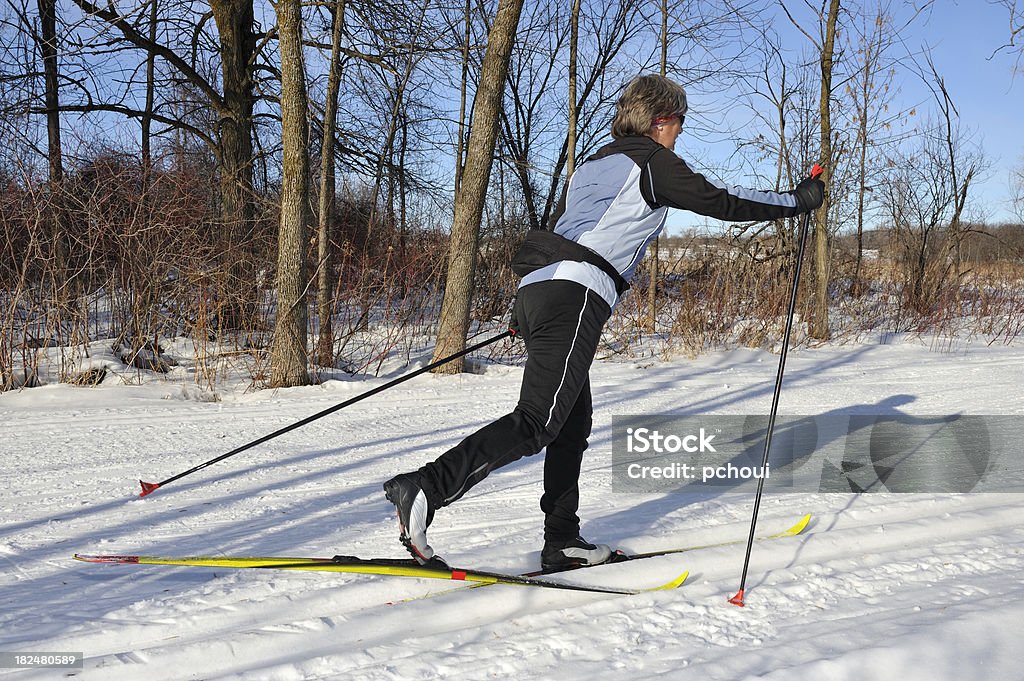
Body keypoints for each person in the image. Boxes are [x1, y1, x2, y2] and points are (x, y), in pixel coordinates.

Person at [384, 74, 824, 571]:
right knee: (538, 422)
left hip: (540, 291)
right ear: (661, 120)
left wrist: (525, 312)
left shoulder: (592, 164)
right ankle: (427, 487)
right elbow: (720, 200)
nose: (679, 133)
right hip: (574, 295)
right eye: (678, 122)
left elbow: (564, 231)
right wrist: (798, 199)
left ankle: (562, 541)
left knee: (571, 424)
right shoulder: (652, 162)